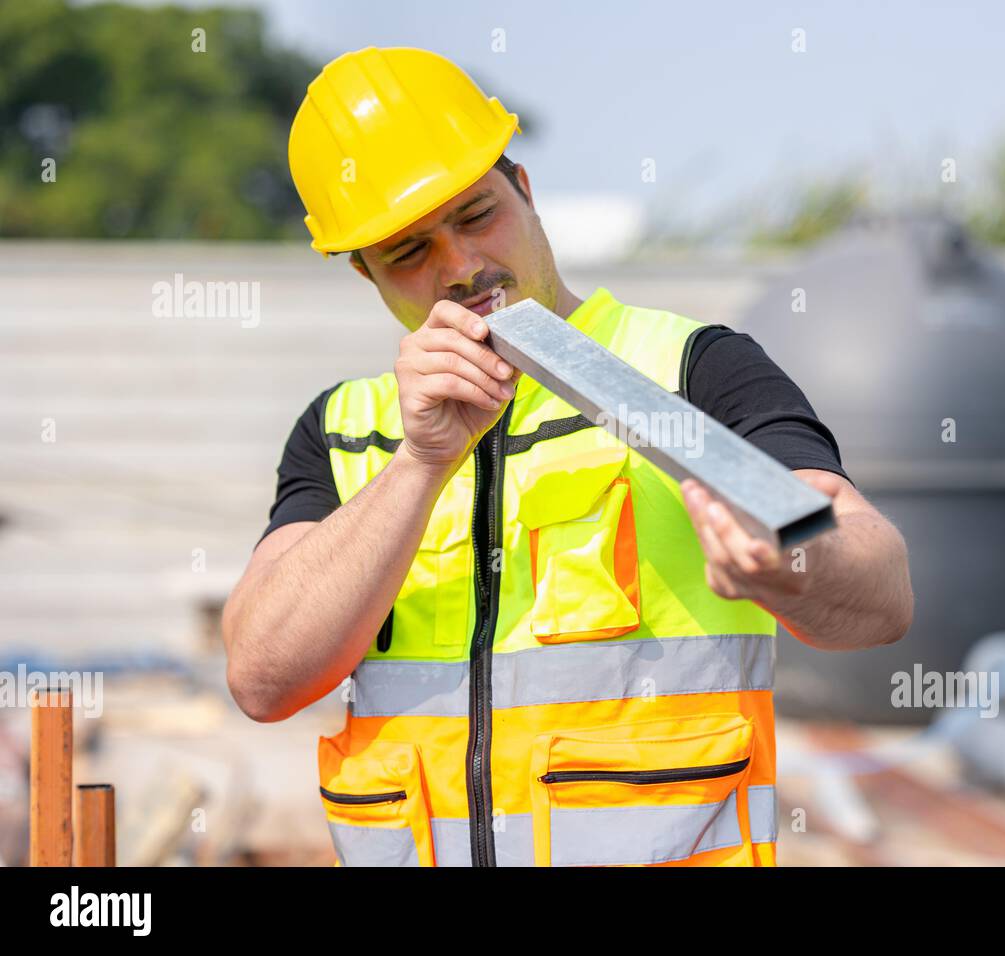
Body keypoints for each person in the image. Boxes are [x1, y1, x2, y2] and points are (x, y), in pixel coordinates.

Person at [222, 46, 912, 867]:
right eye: (409, 252)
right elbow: (263, 678)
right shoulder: (346, 432)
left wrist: (791, 562)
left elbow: (880, 591)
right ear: (364, 272)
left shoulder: (690, 370)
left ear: (525, 190)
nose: (462, 267)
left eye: (476, 215)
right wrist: (420, 464)